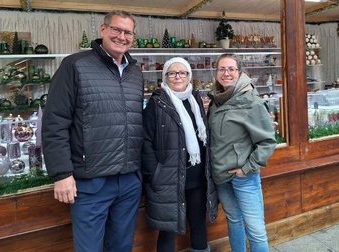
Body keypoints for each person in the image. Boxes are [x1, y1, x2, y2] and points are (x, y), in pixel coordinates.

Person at [42, 10, 144, 252]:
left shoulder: (135, 73)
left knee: (122, 246)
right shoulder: (75, 65)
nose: (122, 36)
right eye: (116, 30)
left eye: (127, 32)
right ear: (103, 30)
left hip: (129, 179)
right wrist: (62, 173)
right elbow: (55, 122)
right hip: (91, 182)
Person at [142, 57, 218, 252]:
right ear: (165, 77)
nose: (177, 76)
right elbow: (145, 141)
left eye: (182, 72)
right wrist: (155, 173)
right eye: (172, 73)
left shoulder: (196, 100)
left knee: (198, 224)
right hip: (168, 178)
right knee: (168, 229)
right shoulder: (157, 103)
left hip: (197, 177)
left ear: (189, 77)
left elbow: (204, 136)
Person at [207, 53, 276, 252]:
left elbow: (267, 141)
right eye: (222, 69)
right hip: (221, 175)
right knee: (234, 220)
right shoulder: (216, 99)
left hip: (243, 177)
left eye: (231, 69)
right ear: (216, 72)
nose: (226, 73)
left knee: (255, 229)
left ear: (239, 72)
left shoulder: (250, 101)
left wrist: (247, 168)